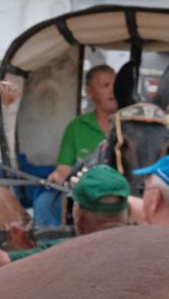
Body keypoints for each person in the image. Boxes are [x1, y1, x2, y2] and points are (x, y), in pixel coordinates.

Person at [34, 65, 117, 226]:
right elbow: (64, 169)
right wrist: (57, 177)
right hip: (83, 194)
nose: (112, 91)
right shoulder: (76, 127)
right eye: (105, 86)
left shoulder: (128, 124)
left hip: (120, 194)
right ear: (89, 92)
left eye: (115, 85)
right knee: (44, 203)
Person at [0, 165, 130, 264]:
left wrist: (21, 252)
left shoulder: (62, 253)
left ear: (77, 213)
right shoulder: (146, 246)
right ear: (128, 212)